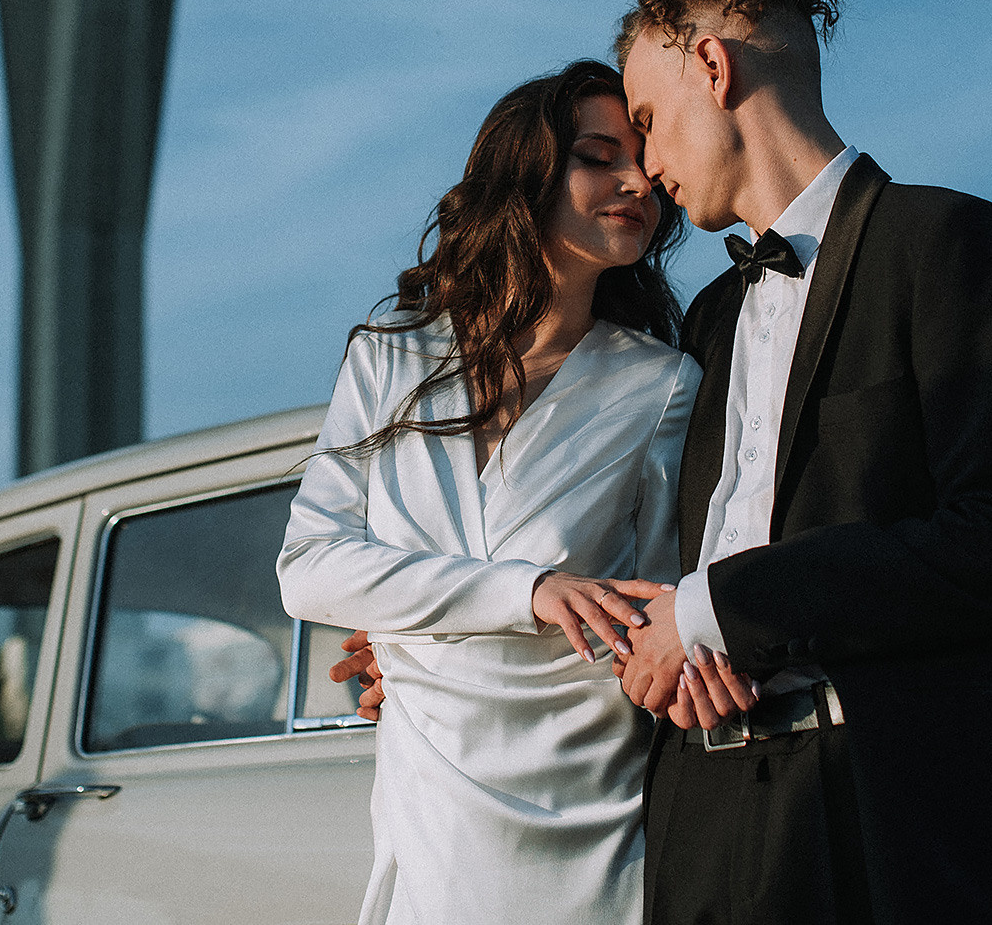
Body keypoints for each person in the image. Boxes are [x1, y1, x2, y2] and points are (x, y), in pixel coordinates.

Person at [341, 0, 992, 925]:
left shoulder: (944, 241)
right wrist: (440, 649)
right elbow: (633, 570)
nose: (647, 168)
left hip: (891, 819)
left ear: (711, 65)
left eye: (648, 122)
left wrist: (722, 610)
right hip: (702, 824)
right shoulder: (703, 325)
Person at [276, 60, 749, 925]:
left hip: (589, 812)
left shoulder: (660, 385)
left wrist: (415, 619)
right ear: (524, 175)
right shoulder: (390, 357)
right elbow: (308, 566)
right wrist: (521, 593)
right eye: (598, 157)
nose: (638, 181)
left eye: (641, 160)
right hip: (433, 814)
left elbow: (654, 604)